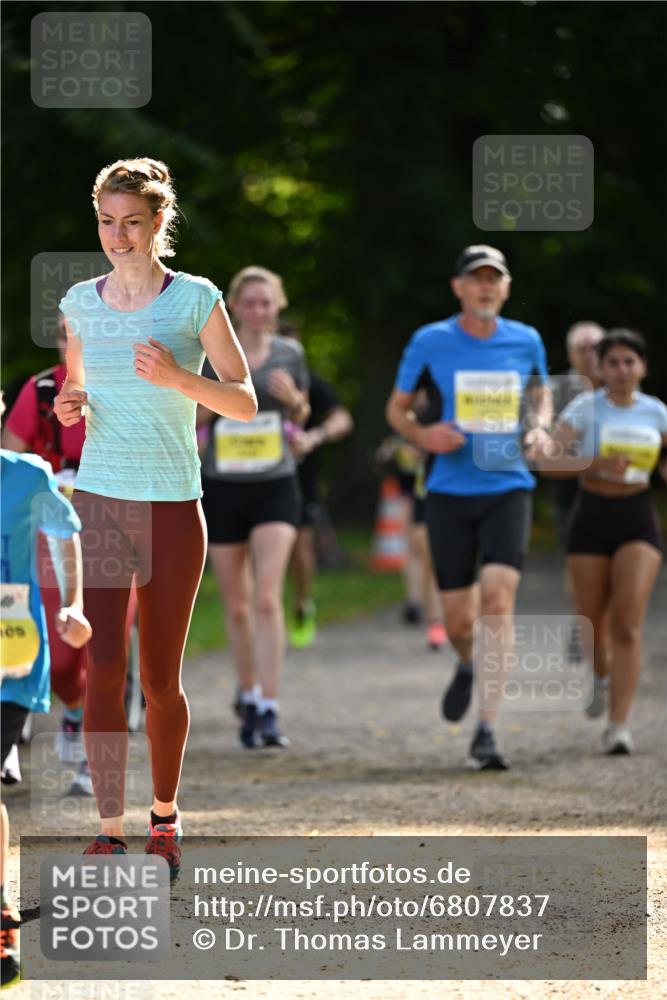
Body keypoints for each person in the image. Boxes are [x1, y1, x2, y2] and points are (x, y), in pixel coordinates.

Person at [54, 157, 256, 875]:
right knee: (103, 668)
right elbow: (75, 389)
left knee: (158, 679)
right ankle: (108, 829)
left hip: (172, 505)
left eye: (131, 222)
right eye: (106, 222)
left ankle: (163, 821)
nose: (117, 235)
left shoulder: (195, 299)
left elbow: (244, 399)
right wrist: (67, 406)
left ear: (158, 222)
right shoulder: (80, 302)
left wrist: (177, 378)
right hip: (102, 503)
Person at [386, 245, 551, 770]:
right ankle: (464, 661)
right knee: (459, 619)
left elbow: (540, 393)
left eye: (494, 280)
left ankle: (487, 729)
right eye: (476, 279)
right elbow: (397, 408)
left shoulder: (526, 339)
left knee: (499, 598)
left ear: (505, 288)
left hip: (509, 485)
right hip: (451, 490)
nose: (486, 287)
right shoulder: (430, 340)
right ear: (458, 287)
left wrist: (540, 425)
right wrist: (422, 433)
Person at [534, 329, 667, 755]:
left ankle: (618, 725)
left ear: (642, 367)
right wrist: (595, 463)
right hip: (591, 518)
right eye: (613, 362)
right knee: (592, 620)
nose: (622, 370)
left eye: (630, 361)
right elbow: (549, 463)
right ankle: (600, 674)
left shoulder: (657, 412)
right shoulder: (585, 408)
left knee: (627, 622)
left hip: (638, 520)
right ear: (601, 368)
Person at [1, 390, 93, 989]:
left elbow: (65, 536)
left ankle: (1, 918)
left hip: (11, 650)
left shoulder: (30, 475)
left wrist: (76, 604)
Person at [197, 267, 310, 748]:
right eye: (251, 303)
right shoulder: (215, 352)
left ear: (277, 306)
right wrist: (221, 398)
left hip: (275, 484)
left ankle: (269, 705)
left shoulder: (290, 353)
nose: (259, 311)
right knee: (238, 605)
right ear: (235, 306)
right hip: (224, 485)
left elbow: (301, 415)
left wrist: (296, 400)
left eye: (267, 303)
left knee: (267, 597)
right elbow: (195, 411)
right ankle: (246, 693)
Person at [280, 322, 354, 648]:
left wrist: (315, 437)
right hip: (248, 478)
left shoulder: (311, 383)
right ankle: (259, 612)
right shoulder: (243, 376)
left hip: (299, 477)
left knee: (300, 546)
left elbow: (342, 419)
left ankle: (301, 604)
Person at [546, 321, 606, 701]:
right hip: (569, 491)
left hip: (613, 491)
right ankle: (581, 614)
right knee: (577, 561)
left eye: (595, 345)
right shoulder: (557, 391)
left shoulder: (619, 383)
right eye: (582, 347)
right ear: (570, 353)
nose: (590, 352)